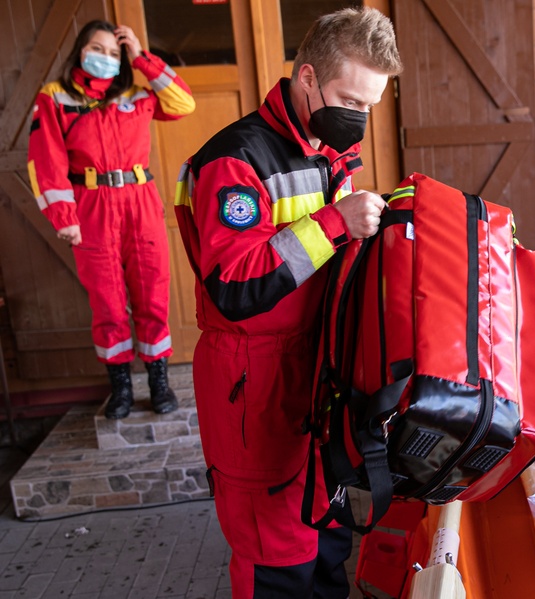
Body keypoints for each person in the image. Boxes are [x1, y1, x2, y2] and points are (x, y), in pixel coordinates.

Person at [174, 7, 402, 598]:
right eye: (350, 100)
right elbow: (235, 285)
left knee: (325, 539)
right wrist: (335, 222)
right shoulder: (236, 160)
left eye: (370, 107)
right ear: (306, 78)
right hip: (253, 380)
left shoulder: (327, 150)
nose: (359, 117)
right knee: (276, 559)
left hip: (314, 371)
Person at [27, 20, 195, 419]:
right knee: (108, 303)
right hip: (90, 207)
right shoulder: (55, 98)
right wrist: (63, 216)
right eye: (96, 48)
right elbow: (44, 161)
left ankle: (158, 382)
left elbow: (183, 103)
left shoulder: (138, 94)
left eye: (112, 52)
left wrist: (140, 57)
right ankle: (120, 387)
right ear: (80, 51)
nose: (104, 57)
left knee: (153, 294)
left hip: (140, 202)